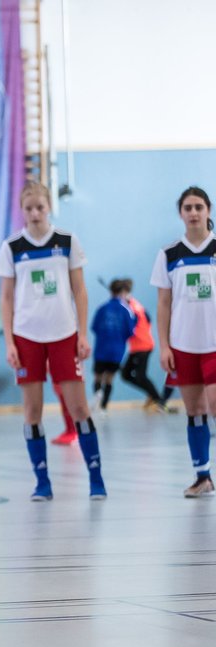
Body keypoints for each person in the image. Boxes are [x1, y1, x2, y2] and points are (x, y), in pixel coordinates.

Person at [0, 180, 105, 501]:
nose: (34, 213)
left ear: (49, 207)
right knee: (32, 412)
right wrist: (9, 343)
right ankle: (42, 482)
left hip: (64, 335)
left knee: (79, 408)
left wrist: (82, 333)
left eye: (39, 207)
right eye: (28, 208)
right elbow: (5, 298)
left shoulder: (66, 241)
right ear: (22, 210)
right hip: (27, 336)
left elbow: (80, 291)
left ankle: (96, 478)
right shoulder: (12, 247)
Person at [151, 185, 216, 498]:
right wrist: (164, 345)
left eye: (198, 207)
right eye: (187, 207)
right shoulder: (169, 254)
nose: (193, 213)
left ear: (208, 211)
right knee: (195, 411)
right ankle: (203, 476)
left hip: (214, 345)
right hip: (184, 345)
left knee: (214, 403)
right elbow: (163, 304)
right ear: (181, 213)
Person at [118, 278, 172, 411]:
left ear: (124, 292)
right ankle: (153, 396)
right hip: (137, 346)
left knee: (140, 376)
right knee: (126, 374)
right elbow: (148, 319)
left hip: (143, 346)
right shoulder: (134, 304)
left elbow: (129, 326)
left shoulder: (131, 307)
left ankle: (158, 400)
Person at [90, 278, 138, 413]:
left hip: (101, 349)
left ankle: (98, 396)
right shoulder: (126, 310)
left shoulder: (102, 308)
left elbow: (94, 327)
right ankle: (104, 407)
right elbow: (131, 331)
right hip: (117, 351)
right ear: (123, 291)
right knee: (109, 379)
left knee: (98, 376)